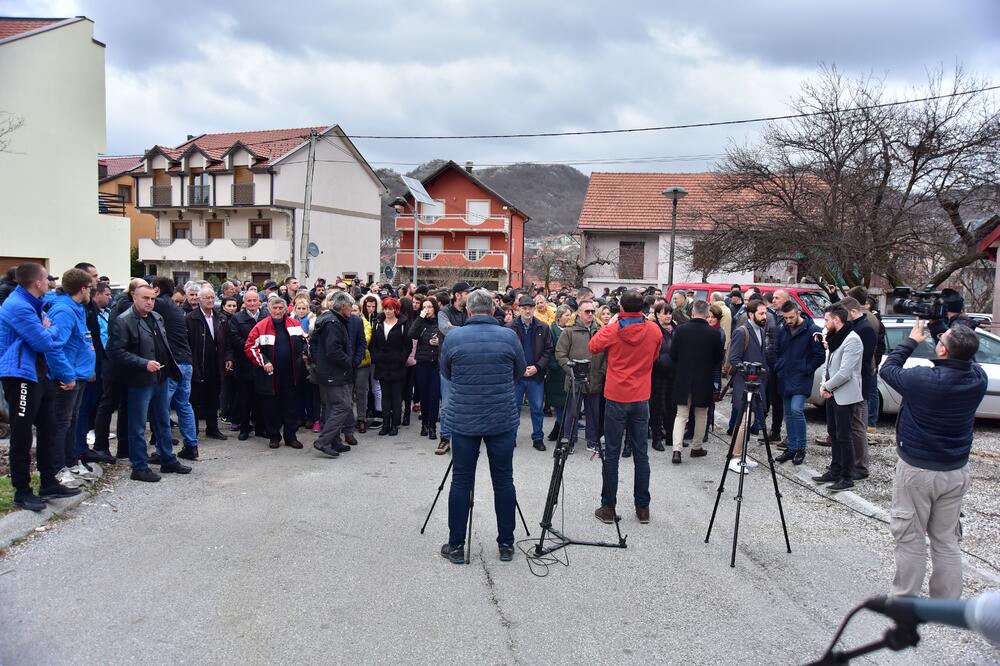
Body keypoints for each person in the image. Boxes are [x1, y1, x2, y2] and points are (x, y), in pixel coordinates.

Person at [879, 321, 986, 598]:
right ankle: (946, 601)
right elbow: (965, 354)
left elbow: (888, 369)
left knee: (910, 536)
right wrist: (945, 329)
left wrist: (911, 340)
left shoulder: (923, 380)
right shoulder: (977, 378)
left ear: (942, 350)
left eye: (942, 339)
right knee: (946, 539)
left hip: (917, 470)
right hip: (955, 469)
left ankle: (905, 599)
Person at [439, 289, 526, 564]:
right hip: (501, 419)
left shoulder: (454, 337)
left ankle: (455, 545)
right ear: (492, 311)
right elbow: (519, 371)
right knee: (504, 481)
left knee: (461, 481)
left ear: (468, 311)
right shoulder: (509, 336)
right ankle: (506, 544)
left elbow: (446, 372)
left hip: (464, 420)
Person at [0, 263, 81, 510]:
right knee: (22, 434)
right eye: (47, 279)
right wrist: (48, 330)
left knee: (49, 427)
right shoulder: (19, 307)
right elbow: (42, 341)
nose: (50, 284)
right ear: (37, 282)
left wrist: (49, 328)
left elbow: (46, 334)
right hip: (20, 376)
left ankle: (48, 481)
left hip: (37, 373)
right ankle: (22, 491)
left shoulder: (33, 305)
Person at [588, 290, 662, 524]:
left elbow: (593, 346)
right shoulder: (653, 330)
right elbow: (654, 356)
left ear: (621, 307)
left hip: (617, 395)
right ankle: (643, 508)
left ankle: (608, 507)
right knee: (641, 453)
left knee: (612, 453)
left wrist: (611, 324)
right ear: (643, 308)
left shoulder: (613, 329)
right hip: (640, 396)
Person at [106, 284, 191, 482]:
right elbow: (115, 352)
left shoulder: (157, 317)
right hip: (139, 380)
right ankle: (139, 466)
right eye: (145, 298)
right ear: (133, 297)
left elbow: (163, 345)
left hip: (161, 377)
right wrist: (143, 364)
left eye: (152, 298)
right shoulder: (124, 320)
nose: (149, 302)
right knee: (137, 425)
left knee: (162, 420)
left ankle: (167, 459)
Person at [44, 268, 97, 487]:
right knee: (61, 424)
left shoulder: (76, 308)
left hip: (79, 375)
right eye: (91, 287)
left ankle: (71, 462)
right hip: (67, 379)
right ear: (83, 288)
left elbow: (81, 342)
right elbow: (55, 347)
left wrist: (88, 369)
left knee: (72, 422)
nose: (92, 292)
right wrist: (66, 375)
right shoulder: (64, 311)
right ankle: (58, 469)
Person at [811, 304, 863, 492]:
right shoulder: (835, 338)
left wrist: (827, 386)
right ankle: (835, 470)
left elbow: (846, 372)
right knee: (833, 434)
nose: (824, 323)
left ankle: (847, 477)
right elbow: (829, 364)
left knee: (844, 436)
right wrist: (824, 385)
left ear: (836, 320)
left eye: (826, 320)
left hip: (845, 395)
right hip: (832, 393)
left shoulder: (852, 340)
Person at [245, 296, 307, 449]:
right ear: (269, 309)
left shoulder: (295, 324)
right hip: (270, 376)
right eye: (275, 308)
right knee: (271, 407)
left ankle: (291, 436)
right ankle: (274, 436)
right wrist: (264, 362)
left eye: (281, 308)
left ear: (285, 309)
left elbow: (306, 341)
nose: (278, 311)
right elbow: (250, 347)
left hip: (291, 373)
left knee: (291, 406)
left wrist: (305, 353)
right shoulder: (260, 326)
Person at [669, 300, 724, 464]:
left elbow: (673, 355)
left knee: (681, 415)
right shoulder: (714, 334)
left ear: (692, 312)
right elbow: (718, 359)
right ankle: (696, 447)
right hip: (704, 379)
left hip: (683, 377)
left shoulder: (680, 330)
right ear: (707, 314)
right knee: (701, 414)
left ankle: (676, 450)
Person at [773, 300, 825, 466]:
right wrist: (778, 366)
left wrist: (806, 369)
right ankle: (792, 447)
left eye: (790, 317)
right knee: (788, 413)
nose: (788, 321)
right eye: (785, 317)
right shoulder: (782, 328)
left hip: (801, 378)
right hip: (785, 376)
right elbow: (776, 350)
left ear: (798, 313)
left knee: (796, 410)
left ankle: (800, 448)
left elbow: (819, 356)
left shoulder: (812, 331)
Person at [554, 299, 607, 454]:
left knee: (594, 413)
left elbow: (608, 355)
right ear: (579, 312)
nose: (590, 314)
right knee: (572, 413)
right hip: (574, 379)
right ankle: (568, 441)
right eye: (587, 311)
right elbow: (560, 353)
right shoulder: (569, 331)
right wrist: (569, 369)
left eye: (592, 311)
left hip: (595, 379)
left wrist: (602, 372)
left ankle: (592, 441)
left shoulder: (601, 331)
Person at [727, 299, 770, 474]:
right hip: (745, 383)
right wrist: (749, 371)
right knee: (745, 421)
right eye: (761, 313)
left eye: (765, 313)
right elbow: (734, 359)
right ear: (751, 314)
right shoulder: (741, 331)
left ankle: (742, 454)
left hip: (756, 383)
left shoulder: (760, 330)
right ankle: (735, 457)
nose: (765, 316)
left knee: (750, 420)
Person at [311, 291, 356, 458]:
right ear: (343, 306)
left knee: (333, 406)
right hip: (334, 372)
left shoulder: (331, 319)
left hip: (329, 371)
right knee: (342, 405)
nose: (352, 309)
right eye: (350, 307)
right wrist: (348, 362)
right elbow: (333, 350)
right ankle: (324, 441)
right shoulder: (332, 323)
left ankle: (335, 440)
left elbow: (317, 346)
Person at [507, 294, 554, 451]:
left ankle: (538, 438)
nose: (527, 311)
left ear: (534, 309)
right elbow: (507, 352)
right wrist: (520, 369)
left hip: (536, 375)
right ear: (519, 309)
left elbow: (548, 350)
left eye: (530, 308)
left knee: (537, 408)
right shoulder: (510, 328)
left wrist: (537, 367)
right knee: (514, 409)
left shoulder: (543, 327)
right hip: (517, 376)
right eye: (524, 308)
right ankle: (511, 437)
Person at [839, 296, 875, 480]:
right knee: (850, 426)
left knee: (858, 426)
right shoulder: (857, 327)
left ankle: (861, 467)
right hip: (851, 383)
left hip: (859, 386)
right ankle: (850, 463)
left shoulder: (865, 329)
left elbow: (862, 361)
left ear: (853, 311)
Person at [186, 286, 228, 444]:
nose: (210, 300)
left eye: (212, 297)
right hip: (198, 363)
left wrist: (228, 357)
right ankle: (193, 430)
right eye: (206, 298)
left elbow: (227, 341)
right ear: (199, 300)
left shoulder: (220, 318)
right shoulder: (191, 318)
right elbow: (188, 344)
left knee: (213, 399)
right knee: (196, 400)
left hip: (216, 363)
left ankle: (212, 428)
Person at [77, 282, 113, 464]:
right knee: (85, 408)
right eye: (107, 293)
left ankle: (88, 447)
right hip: (90, 367)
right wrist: (90, 367)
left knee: (94, 406)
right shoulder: (82, 311)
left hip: (100, 363)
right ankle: (80, 449)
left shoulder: (99, 312)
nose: (110, 297)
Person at [437, 282, 471, 451]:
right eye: (467, 293)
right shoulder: (444, 312)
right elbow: (445, 329)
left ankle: (464, 437)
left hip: (467, 364)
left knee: (467, 403)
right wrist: (467, 331)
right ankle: (445, 437)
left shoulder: (468, 311)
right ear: (458, 295)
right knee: (448, 404)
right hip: (448, 366)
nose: (469, 296)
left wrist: (456, 329)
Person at [228, 290, 266, 440]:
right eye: (248, 301)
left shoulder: (265, 316)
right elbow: (234, 337)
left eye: (254, 300)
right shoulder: (237, 318)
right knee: (244, 399)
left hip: (262, 364)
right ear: (244, 302)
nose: (252, 303)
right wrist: (251, 349)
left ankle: (260, 428)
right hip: (244, 363)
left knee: (260, 398)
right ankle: (244, 428)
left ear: (259, 301)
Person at [370, 297, 410, 436]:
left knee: (396, 396)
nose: (388, 311)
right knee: (385, 396)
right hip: (382, 365)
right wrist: (376, 358)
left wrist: (400, 359)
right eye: (386, 308)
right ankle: (385, 424)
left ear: (396, 310)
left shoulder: (403, 324)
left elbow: (407, 345)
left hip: (397, 365)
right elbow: (373, 344)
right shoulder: (378, 323)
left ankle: (395, 425)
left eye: (390, 309)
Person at [409, 297, 443, 447]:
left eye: (429, 307)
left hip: (436, 362)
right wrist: (420, 317)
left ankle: (432, 426)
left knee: (434, 395)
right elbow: (411, 334)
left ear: (435, 308)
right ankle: (424, 423)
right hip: (422, 362)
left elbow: (447, 337)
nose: (427, 309)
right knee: (423, 394)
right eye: (424, 307)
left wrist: (439, 343)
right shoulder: (420, 321)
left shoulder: (440, 322)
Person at [648, 302, 676, 453]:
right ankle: (656, 438)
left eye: (670, 313)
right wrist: (661, 362)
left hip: (674, 373)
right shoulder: (654, 329)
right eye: (665, 313)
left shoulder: (675, 329)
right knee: (657, 407)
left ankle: (671, 436)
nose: (668, 316)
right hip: (658, 374)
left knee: (672, 406)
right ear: (658, 315)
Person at [544, 305, 572, 443]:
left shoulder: (571, 330)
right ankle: (560, 428)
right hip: (556, 373)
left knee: (567, 403)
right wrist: (555, 365)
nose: (569, 317)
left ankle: (560, 428)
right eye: (566, 315)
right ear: (559, 317)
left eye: (570, 315)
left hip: (567, 371)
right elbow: (548, 350)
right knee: (559, 404)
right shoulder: (551, 330)